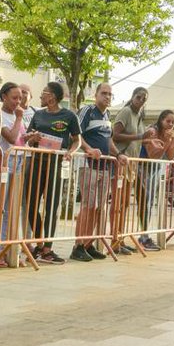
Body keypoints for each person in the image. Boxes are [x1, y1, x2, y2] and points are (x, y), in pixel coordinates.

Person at [25, 81, 81, 264]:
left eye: (43, 92)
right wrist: (32, 138)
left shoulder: (69, 116)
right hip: (35, 164)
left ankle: (48, 248)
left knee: (51, 206)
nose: (41, 96)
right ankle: (40, 243)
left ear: (52, 96)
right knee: (31, 204)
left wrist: (69, 153)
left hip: (56, 165)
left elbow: (76, 140)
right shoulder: (37, 115)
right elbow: (28, 139)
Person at [72, 83, 125, 262]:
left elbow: (109, 140)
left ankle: (88, 243)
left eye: (110, 94)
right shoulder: (87, 111)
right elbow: (76, 134)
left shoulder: (107, 115)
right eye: (104, 93)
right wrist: (89, 149)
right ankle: (78, 245)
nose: (107, 97)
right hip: (89, 165)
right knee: (88, 206)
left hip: (105, 167)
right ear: (95, 95)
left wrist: (118, 154)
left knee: (97, 207)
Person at [0, 82, 28, 266]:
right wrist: (19, 119)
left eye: (20, 98)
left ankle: (5, 248)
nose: (18, 101)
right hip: (2, 162)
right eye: (14, 98)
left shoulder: (18, 116)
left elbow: (20, 139)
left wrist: (30, 137)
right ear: (4, 96)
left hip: (18, 161)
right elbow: (10, 138)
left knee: (9, 209)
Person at [112, 88, 153, 253]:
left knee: (125, 204)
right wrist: (139, 137)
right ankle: (115, 239)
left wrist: (149, 141)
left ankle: (120, 239)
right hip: (121, 161)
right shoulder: (126, 112)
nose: (141, 100)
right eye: (138, 97)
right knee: (119, 203)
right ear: (132, 97)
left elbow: (138, 139)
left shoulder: (138, 116)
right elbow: (115, 135)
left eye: (144, 98)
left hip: (132, 164)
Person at [138, 109, 174, 250]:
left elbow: (169, 156)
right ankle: (143, 237)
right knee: (144, 202)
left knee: (150, 203)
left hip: (155, 169)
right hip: (143, 167)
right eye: (168, 121)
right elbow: (153, 155)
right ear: (161, 120)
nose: (170, 125)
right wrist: (166, 140)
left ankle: (144, 235)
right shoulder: (152, 131)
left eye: (173, 123)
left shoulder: (167, 135)